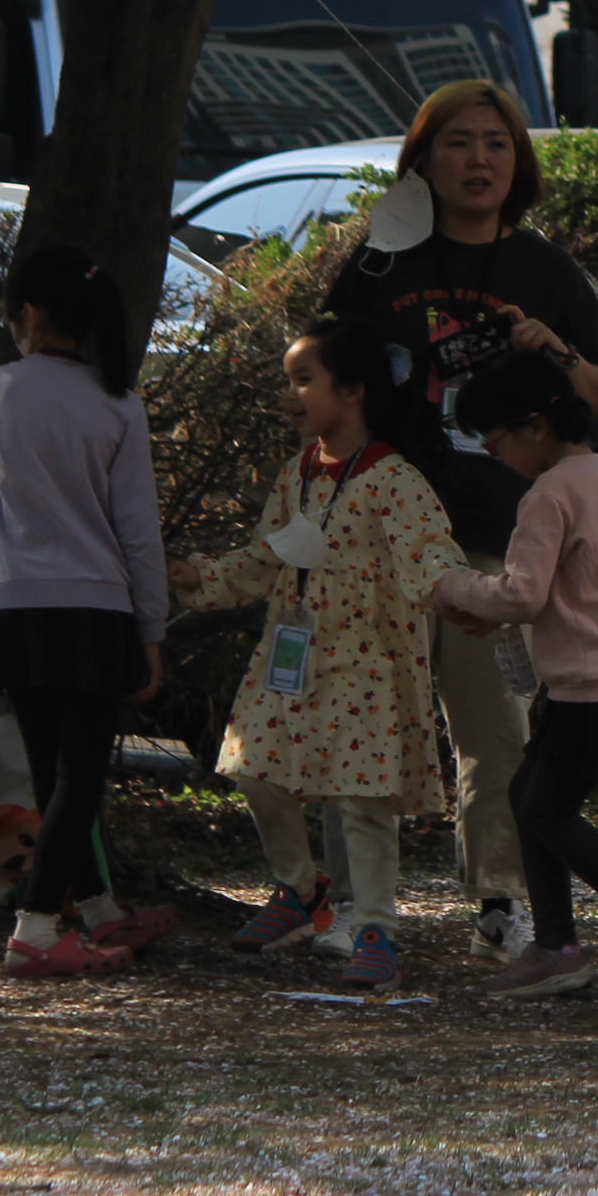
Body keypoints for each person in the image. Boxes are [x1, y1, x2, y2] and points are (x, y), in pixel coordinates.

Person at [323, 79, 598, 960]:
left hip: (497, 533)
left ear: (517, 162)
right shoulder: (379, 266)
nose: (478, 160)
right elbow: (324, 387)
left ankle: (500, 900)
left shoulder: (545, 271)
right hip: (382, 533)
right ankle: (355, 903)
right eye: (457, 142)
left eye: (496, 142)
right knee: (364, 723)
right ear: (422, 160)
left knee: (496, 732)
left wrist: (552, 349)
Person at [170, 315, 467, 990]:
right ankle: (302, 891)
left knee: (363, 800)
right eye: (288, 381)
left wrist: (464, 594)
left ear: (353, 390)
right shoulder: (297, 474)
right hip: (291, 656)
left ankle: (377, 930)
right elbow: (264, 558)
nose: (290, 396)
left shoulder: (393, 478)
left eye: (304, 380)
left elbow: (429, 553)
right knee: (254, 769)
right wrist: (200, 577)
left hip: (366, 664)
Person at [428, 351, 598, 1002]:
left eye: (493, 440)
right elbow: (580, 580)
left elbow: (522, 593)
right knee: (529, 797)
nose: (493, 455)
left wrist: (454, 587)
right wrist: (493, 612)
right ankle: (557, 947)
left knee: (544, 808)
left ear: (535, 426)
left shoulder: (548, 494)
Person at [0, 246, 175, 979]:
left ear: (29, 316)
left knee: (51, 774)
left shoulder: (2, 388)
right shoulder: (118, 404)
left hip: (18, 606)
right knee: (80, 776)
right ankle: (35, 929)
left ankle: (95, 910)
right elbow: (139, 533)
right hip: (95, 608)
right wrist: (150, 629)